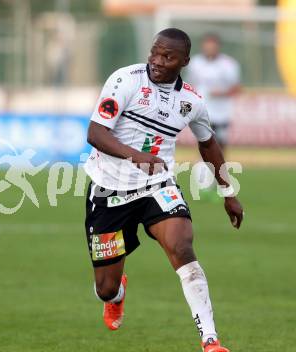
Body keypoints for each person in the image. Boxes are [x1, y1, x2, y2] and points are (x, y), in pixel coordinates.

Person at [83, 28, 243, 352]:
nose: (157, 61)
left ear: (183, 61)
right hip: (108, 189)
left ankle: (210, 341)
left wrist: (228, 191)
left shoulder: (192, 102)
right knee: (105, 287)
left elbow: (208, 144)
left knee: (183, 247)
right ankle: (117, 296)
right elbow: (96, 133)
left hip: (158, 186)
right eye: (154, 52)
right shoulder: (125, 81)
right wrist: (136, 156)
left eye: (167, 57)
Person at [187, 33, 241, 152]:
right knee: (204, 140)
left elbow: (237, 88)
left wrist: (222, 93)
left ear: (218, 47)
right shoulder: (195, 63)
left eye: (212, 46)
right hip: (203, 109)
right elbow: (191, 85)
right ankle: (203, 166)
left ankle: (218, 166)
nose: (209, 49)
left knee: (220, 142)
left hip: (221, 111)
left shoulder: (228, 64)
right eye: (207, 46)